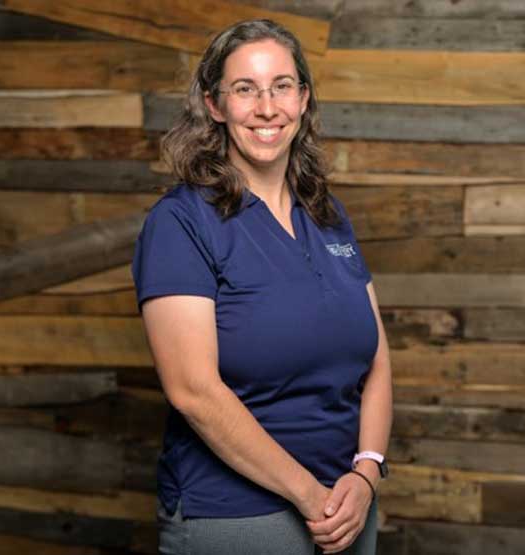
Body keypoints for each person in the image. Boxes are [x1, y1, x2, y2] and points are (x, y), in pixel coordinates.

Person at [131, 18, 393, 555]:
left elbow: (377, 361)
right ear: (215, 105)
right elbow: (193, 391)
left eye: (281, 86)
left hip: (349, 508)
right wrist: (309, 496)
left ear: (302, 98)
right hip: (237, 516)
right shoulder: (180, 223)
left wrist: (366, 474)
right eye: (245, 89)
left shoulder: (326, 214)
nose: (267, 107)